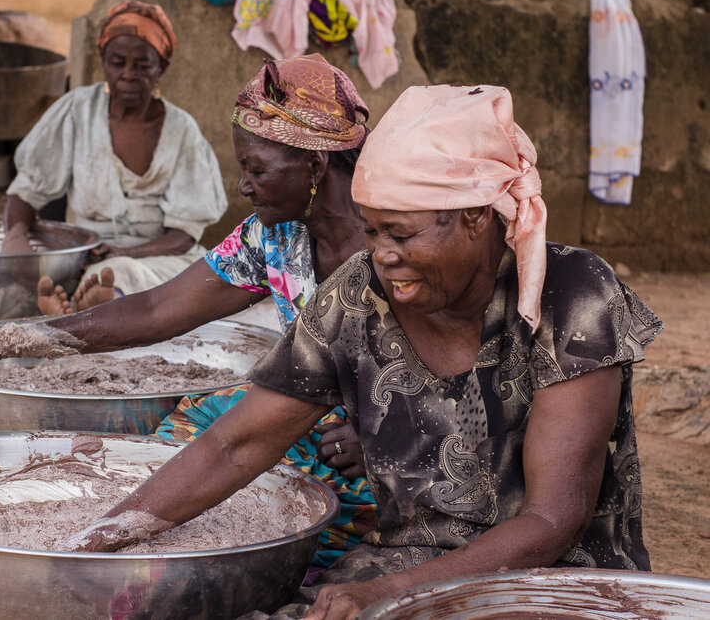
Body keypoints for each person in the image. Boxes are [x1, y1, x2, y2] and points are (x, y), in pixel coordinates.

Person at [62, 84, 663, 620]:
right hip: (406, 557)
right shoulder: (356, 295)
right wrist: (101, 537)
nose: (382, 254)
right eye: (372, 231)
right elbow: (235, 443)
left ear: (477, 217)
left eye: (402, 233)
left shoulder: (572, 295)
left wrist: (389, 594)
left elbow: (552, 521)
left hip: (550, 582)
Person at [0, 53, 379, 569]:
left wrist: (381, 429)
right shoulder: (275, 236)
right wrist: (5, 340)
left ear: (314, 165)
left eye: (255, 168)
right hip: (308, 419)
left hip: (407, 432)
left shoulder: (396, 245)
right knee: (197, 431)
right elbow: (157, 310)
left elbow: (468, 365)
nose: (243, 185)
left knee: (318, 539)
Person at [1, 0, 227, 314]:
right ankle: (84, 310)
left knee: (125, 275)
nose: (128, 75)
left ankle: (90, 310)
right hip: (82, 253)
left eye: (142, 66)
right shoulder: (77, 110)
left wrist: (123, 253)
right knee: (16, 287)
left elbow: (184, 236)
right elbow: (27, 190)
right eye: (117, 63)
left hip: (160, 260)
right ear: (103, 62)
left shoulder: (182, 131)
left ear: (162, 68)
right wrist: (16, 238)